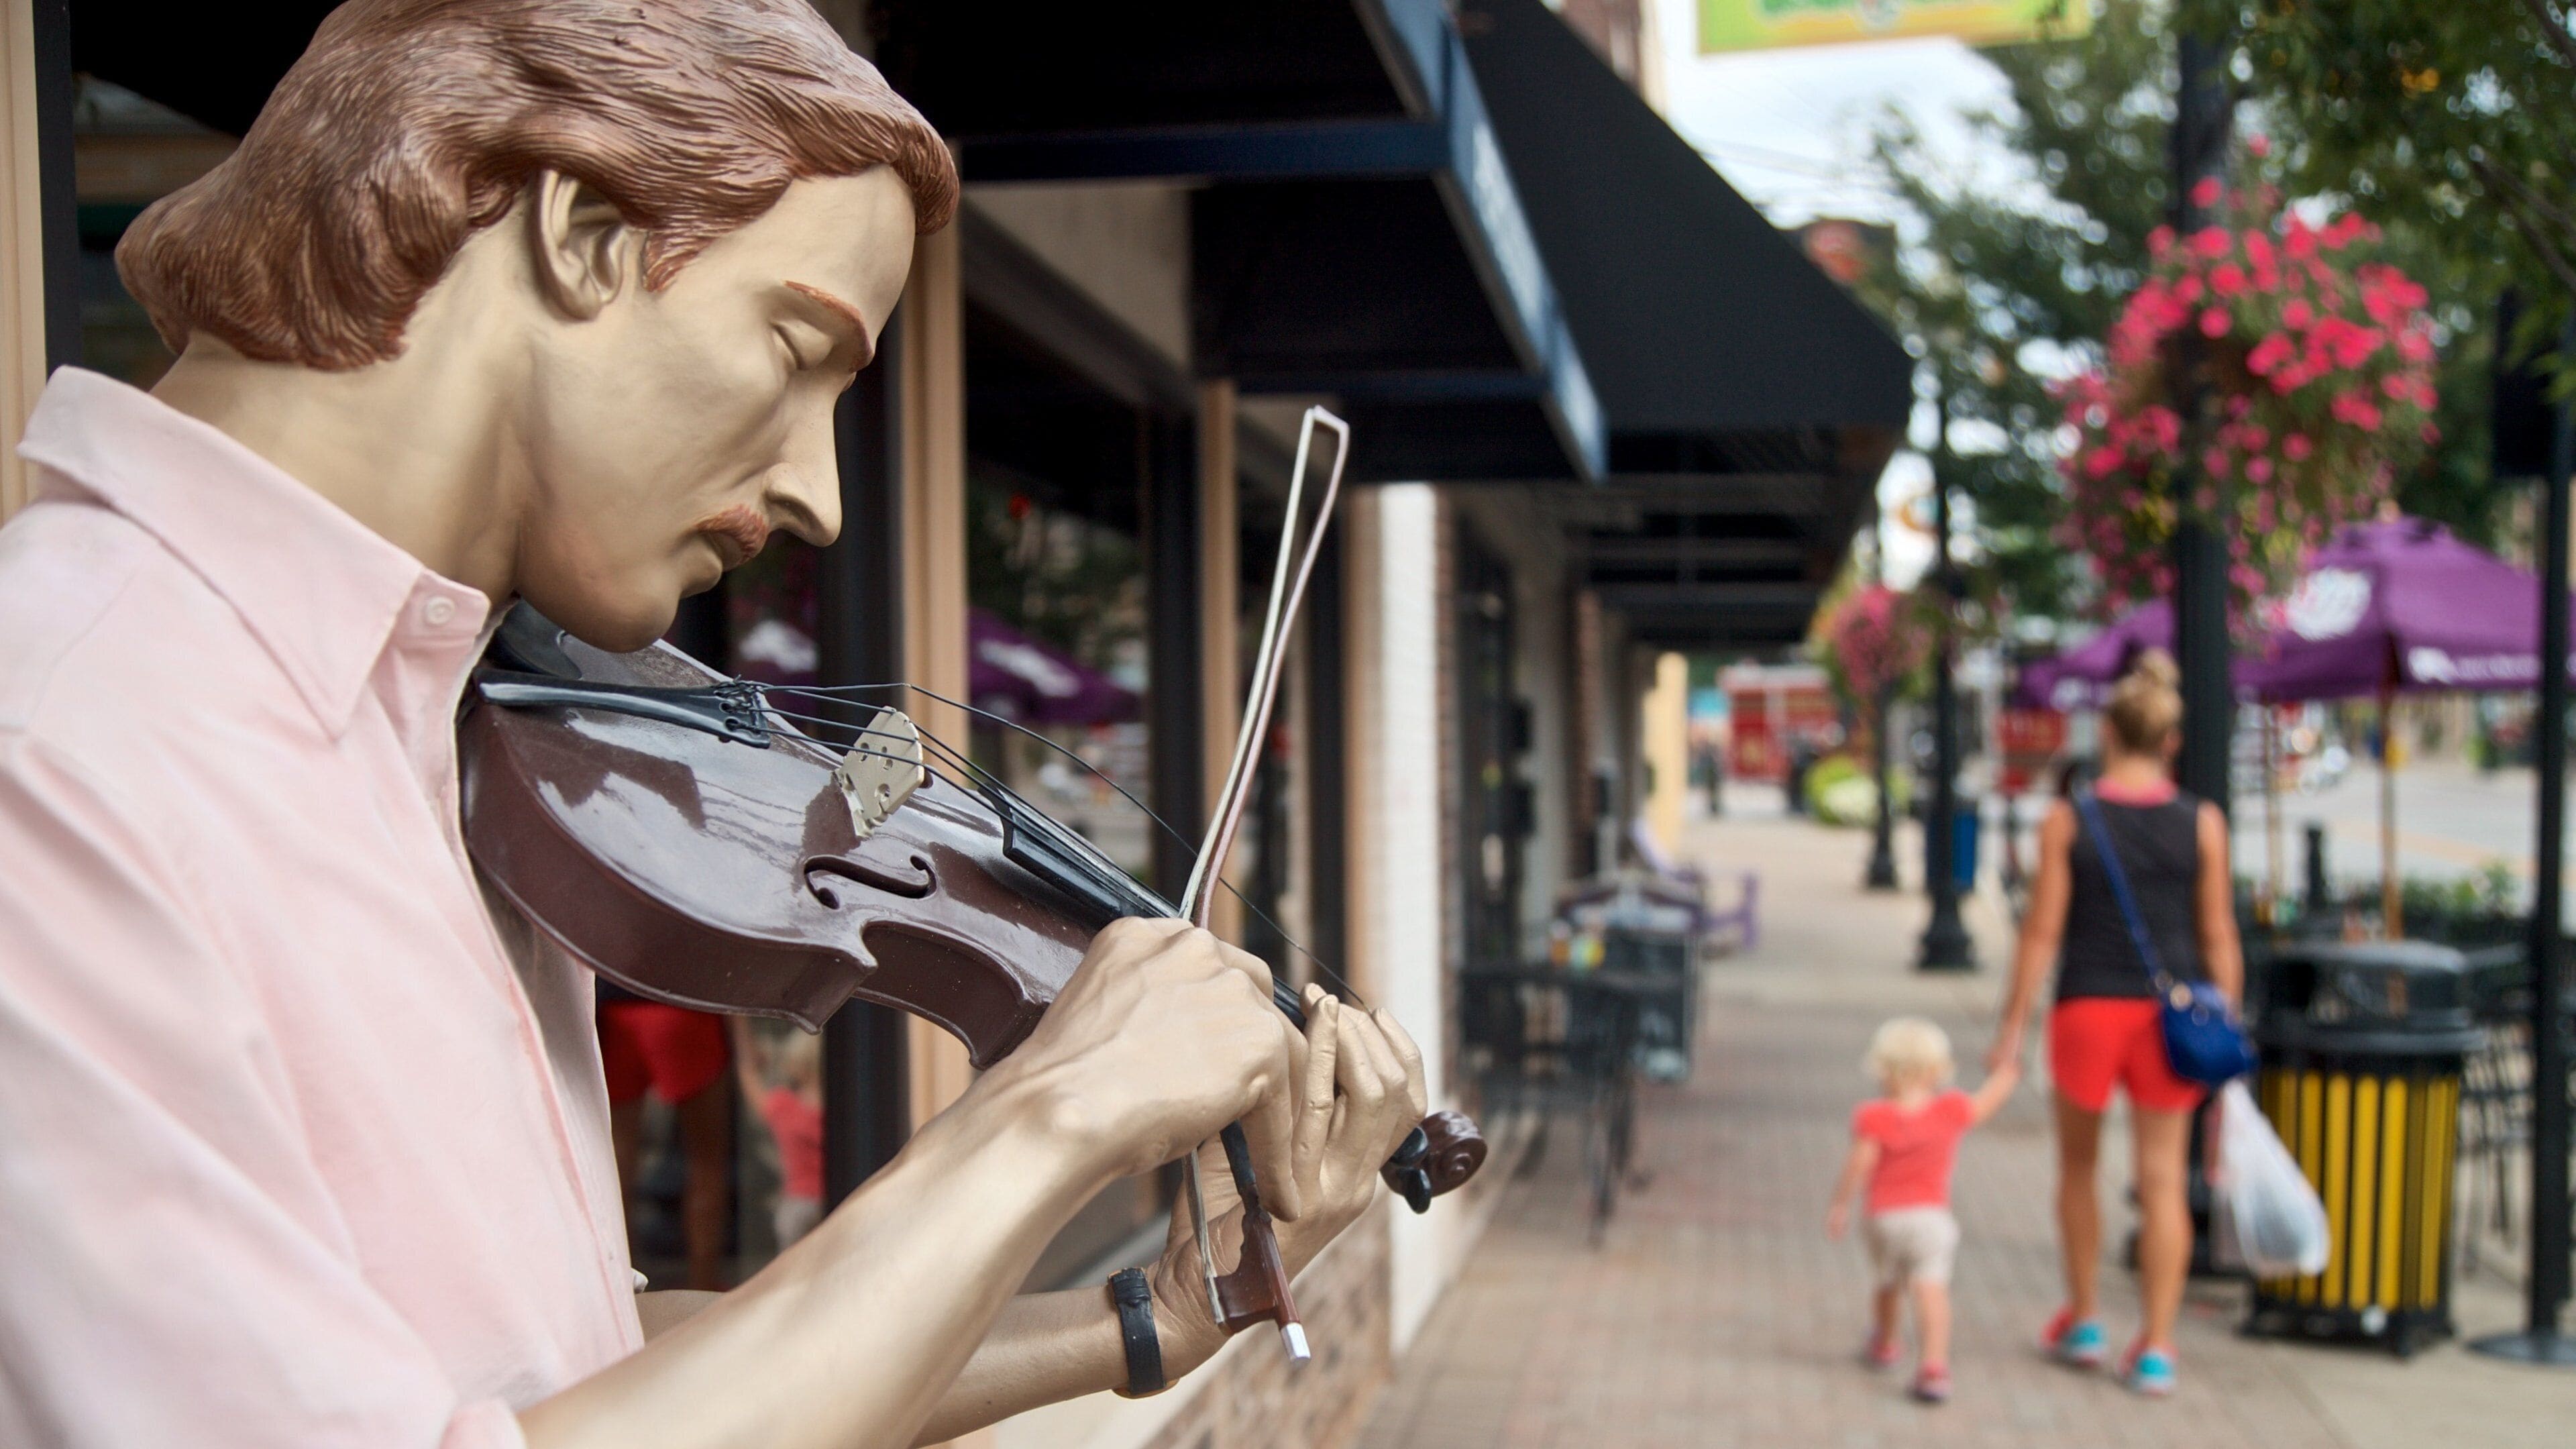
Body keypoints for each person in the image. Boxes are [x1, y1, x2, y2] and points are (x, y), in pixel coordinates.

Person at [0, 4, 1430, 1446]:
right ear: (583, 234)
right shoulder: (61, 746)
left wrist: (1148, 1321)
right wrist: (1045, 1120)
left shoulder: (456, 733)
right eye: (796, 349)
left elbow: (569, 1375)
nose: (822, 495)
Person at [1988, 650, 2244, 1397]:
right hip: (2173, 1020)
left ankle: (2087, 1319)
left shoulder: (2070, 819)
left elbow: (2041, 931)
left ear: (2106, 733)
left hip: (2088, 1008)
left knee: (2077, 1169)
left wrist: (2011, 1026)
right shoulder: (2204, 823)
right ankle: (2158, 1346)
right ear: (2169, 742)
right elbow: (2218, 931)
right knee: (2163, 1181)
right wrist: (2228, 1017)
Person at [1827, 1017, 2020, 1405]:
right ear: (1937, 1070)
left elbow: (1860, 1163)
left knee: (1887, 1283)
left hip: (1883, 1218)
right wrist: (2006, 1074)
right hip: (1931, 1220)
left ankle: (1884, 1342)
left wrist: (1841, 1204)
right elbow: (1986, 1103)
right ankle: (1933, 1366)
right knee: (1930, 1288)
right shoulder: (1949, 1109)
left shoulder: (1874, 1116)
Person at [598, 990, 735, 1289]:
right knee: (706, 1159)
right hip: (684, 1004)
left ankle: (618, 1287)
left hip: (616, 1008)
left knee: (613, 1160)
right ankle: (704, 1287)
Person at [741, 1024, 826, 1250]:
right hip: (831, 1202)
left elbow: (750, 1081)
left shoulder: (784, 1106)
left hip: (797, 1203)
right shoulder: (840, 1113)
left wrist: (745, 1053)